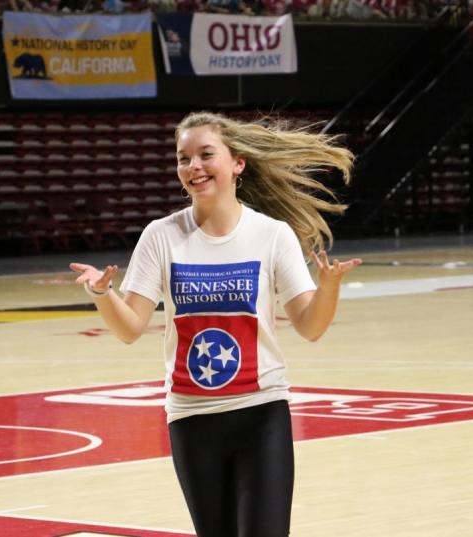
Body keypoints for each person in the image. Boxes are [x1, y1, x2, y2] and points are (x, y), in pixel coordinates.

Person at [70, 111, 362, 537]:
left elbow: (310, 326)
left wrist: (329, 289)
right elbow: (130, 327)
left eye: (206, 154)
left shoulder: (272, 234)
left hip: (261, 413)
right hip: (191, 418)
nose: (193, 167)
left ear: (237, 163)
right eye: (183, 157)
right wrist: (102, 294)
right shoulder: (161, 236)